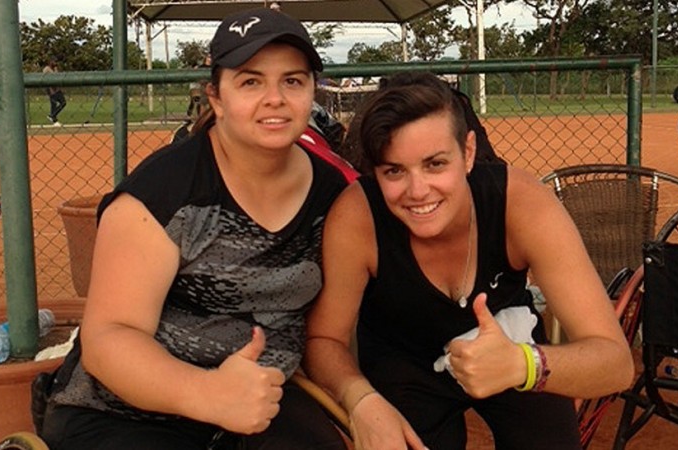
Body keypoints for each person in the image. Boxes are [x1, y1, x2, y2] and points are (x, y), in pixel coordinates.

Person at [39, 8, 351, 450]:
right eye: (250, 81)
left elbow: (331, 332)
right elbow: (110, 336)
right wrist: (205, 394)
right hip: (127, 410)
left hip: (260, 400)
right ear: (217, 98)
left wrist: (363, 399)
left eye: (293, 81)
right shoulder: (163, 192)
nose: (275, 97)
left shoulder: (333, 192)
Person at [303, 72, 634, 450]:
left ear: (469, 151)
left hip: (507, 342)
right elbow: (324, 338)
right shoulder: (358, 215)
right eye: (394, 171)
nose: (418, 191)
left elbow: (616, 364)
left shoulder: (520, 203)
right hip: (403, 359)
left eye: (435, 164)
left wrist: (523, 365)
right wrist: (360, 398)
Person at [43, 58, 66, 125]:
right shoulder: (46, 69)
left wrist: (56, 69)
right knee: (54, 104)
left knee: (62, 102)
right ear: (50, 62)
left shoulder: (55, 69)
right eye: (54, 61)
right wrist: (50, 91)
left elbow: (57, 77)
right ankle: (53, 118)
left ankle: (53, 116)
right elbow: (46, 80)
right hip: (51, 89)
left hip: (57, 89)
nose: (55, 63)